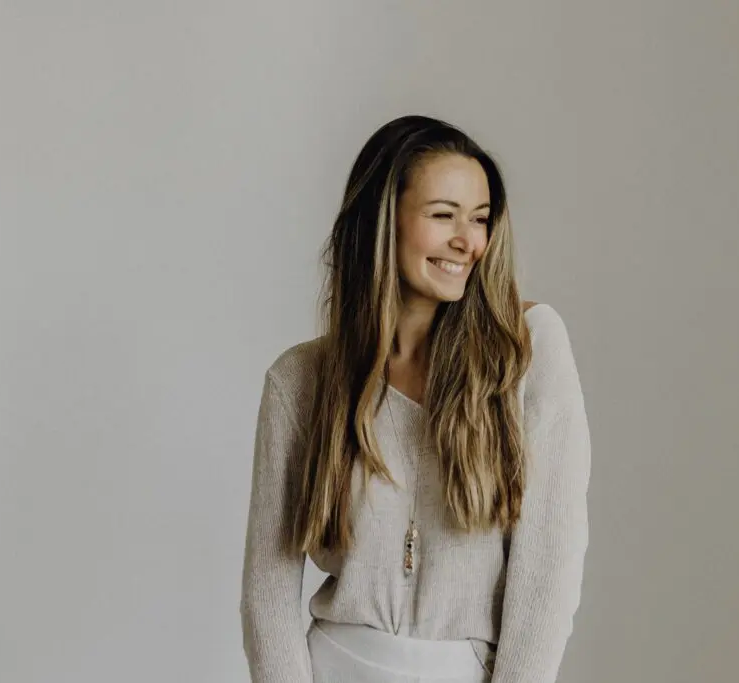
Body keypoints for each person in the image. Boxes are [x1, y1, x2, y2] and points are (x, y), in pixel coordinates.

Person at [239, 114, 591, 683]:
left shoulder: (526, 351)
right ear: (383, 222)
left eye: (480, 218)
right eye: (443, 215)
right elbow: (267, 590)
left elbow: (550, 563)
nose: (468, 241)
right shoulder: (300, 380)